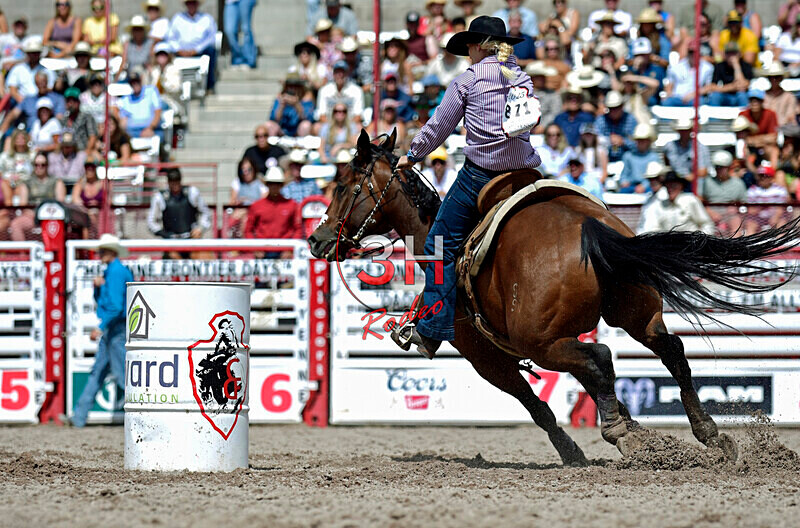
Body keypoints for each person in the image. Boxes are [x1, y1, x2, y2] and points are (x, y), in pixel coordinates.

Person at [393, 16, 537, 358]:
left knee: (439, 243)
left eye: (469, 47)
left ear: (476, 46)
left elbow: (439, 126)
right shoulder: (522, 78)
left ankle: (433, 328)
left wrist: (412, 156)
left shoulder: (468, 81)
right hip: (524, 173)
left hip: (483, 175)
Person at [70, 235, 133, 427]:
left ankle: (141, 413)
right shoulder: (114, 271)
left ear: (111, 252)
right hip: (116, 328)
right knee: (103, 371)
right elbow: (109, 302)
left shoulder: (115, 273)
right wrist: (97, 288)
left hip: (116, 328)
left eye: (103, 251)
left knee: (121, 374)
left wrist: (100, 326)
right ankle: (79, 417)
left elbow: (114, 306)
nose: (100, 254)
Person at [10, 153, 66, 241]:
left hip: (52, 216)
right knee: (15, 225)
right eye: (36, 165)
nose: (39, 167)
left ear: (47, 166)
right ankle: (23, 250)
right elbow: (23, 205)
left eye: (42, 165)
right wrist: (35, 214)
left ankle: (57, 249)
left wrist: (47, 214)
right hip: (32, 216)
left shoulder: (57, 182)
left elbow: (61, 203)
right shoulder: (26, 183)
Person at [639, 171, 716, 235]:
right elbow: (654, 228)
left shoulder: (690, 200)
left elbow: (707, 224)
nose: (670, 189)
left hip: (691, 244)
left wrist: (700, 240)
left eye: (674, 185)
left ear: (681, 186)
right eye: (668, 186)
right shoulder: (660, 205)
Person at [166, 0, 218, 91]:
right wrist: (179, 49)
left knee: (211, 51)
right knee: (164, 51)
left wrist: (197, 49)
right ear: (186, 4)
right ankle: (171, 85)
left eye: (193, 3)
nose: (191, 5)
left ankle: (209, 86)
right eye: (189, 3)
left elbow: (211, 38)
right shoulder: (177, 18)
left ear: (197, 4)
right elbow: (170, 38)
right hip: (180, 51)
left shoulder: (207, 19)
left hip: (200, 51)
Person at [147, 168, 212, 239]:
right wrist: (162, 233)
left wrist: (200, 229)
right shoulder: (159, 197)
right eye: (172, 181)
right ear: (168, 181)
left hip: (191, 238)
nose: (175, 184)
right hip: (170, 240)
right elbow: (151, 221)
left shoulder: (192, 192)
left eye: (177, 180)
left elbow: (206, 213)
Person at [0, 71, 65, 137]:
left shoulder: (57, 98)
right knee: (11, 137)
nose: (41, 85)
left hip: (50, 133)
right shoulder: (28, 100)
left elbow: (59, 117)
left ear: (47, 81)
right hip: (30, 133)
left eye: (43, 82)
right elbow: (13, 114)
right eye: (38, 83)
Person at [244, 166, 301, 240]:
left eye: (277, 183)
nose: (274, 186)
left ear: (282, 185)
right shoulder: (256, 206)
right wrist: (255, 246)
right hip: (262, 245)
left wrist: (291, 246)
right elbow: (248, 230)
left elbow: (298, 229)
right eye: (271, 183)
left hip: (285, 244)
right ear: (267, 185)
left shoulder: (292, 205)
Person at [6, 39, 57, 104]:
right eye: (31, 53)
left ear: (40, 53)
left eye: (36, 53)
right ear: (27, 54)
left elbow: (49, 89)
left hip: (42, 103)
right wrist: (24, 103)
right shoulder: (17, 68)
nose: (34, 55)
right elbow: (12, 90)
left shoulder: (48, 71)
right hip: (22, 102)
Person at [316, 60, 364, 127]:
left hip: (350, 126)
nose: (340, 75)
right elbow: (321, 115)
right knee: (317, 127)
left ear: (347, 74)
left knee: (359, 127)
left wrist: (346, 129)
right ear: (333, 74)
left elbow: (358, 116)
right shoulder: (324, 90)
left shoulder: (356, 90)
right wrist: (333, 128)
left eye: (343, 72)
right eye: (337, 72)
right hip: (329, 125)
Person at [115, 69, 162, 138]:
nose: (135, 84)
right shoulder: (125, 99)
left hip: (151, 129)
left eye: (136, 81)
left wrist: (150, 128)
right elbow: (123, 120)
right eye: (132, 82)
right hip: (131, 132)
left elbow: (158, 112)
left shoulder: (151, 91)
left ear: (140, 80)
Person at [744, 164, 790, 232]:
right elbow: (751, 210)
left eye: (765, 176)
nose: (762, 178)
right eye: (760, 176)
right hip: (758, 218)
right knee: (750, 224)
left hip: (775, 216)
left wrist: (775, 217)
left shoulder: (780, 190)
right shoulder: (752, 190)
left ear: (771, 178)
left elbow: (780, 209)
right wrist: (761, 208)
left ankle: (780, 238)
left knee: (782, 224)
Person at [593, 90, 636, 163]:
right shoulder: (600, 120)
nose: (614, 111)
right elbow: (594, 141)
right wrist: (608, 140)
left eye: (617, 107)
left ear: (622, 106)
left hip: (626, 159)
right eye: (611, 108)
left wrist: (623, 141)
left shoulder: (630, 119)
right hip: (605, 159)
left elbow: (638, 144)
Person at [663, 118, 711, 184]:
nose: (684, 133)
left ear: (691, 130)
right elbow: (667, 163)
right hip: (676, 181)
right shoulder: (670, 146)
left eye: (686, 130)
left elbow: (703, 171)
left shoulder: (700, 147)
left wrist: (689, 177)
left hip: (695, 183)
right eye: (681, 130)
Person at [706, 43, 752, 107]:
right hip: (724, 95)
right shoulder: (719, 66)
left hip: (739, 96)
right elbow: (712, 86)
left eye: (734, 53)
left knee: (742, 96)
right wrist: (731, 87)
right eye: (728, 53)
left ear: (739, 54)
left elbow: (744, 86)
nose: (731, 56)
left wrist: (736, 65)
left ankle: (744, 113)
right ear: (724, 54)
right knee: (715, 96)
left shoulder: (746, 65)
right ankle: (713, 114)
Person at [618, 123, 658, 194]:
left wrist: (643, 186)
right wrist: (624, 182)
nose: (641, 142)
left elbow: (655, 177)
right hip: (631, 186)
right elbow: (624, 174)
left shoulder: (654, 157)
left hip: (647, 187)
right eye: (639, 140)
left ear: (648, 141)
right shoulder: (628, 156)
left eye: (643, 140)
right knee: (622, 192)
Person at [60, 86, 97, 154]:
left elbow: (92, 137)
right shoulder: (64, 119)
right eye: (68, 101)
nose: (70, 104)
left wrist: (86, 152)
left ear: (79, 102)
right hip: (67, 154)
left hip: (83, 151)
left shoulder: (87, 117)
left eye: (73, 101)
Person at [525, 62, 559, 133]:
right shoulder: (523, 94)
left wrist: (543, 125)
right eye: (538, 77)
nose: (542, 79)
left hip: (546, 130)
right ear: (532, 78)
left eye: (543, 77)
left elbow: (555, 112)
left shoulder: (552, 94)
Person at [0, 130, 35, 196]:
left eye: (23, 138)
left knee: (21, 188)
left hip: (24, 182)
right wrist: (8, 178)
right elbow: (1, 171)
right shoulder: (5, 156)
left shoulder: (32, 155)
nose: (20, 140)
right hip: (7, 181)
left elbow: (34, 171)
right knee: (5, 186)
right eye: (18, 138)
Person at [224, 0, 257, 70]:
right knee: (230, 30)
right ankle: (237, 59)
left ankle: (249, 60)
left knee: (246, 29)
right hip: (230, 2)